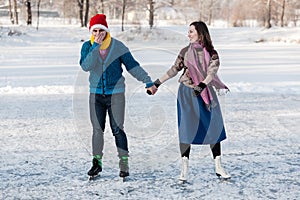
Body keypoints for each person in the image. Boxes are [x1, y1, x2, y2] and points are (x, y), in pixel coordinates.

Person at [150, 21, 231, 181]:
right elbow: (174, 69)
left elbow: (211, 72)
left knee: (213, 127)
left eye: (191, 32)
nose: (188, 34)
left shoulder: (212, 53)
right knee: (186, 129)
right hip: (187, 93)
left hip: (205, 92)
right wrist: (157, 83)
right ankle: (184, 169)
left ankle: (218, 167)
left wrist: (202, 85)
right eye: (188, 32)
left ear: (200, 33)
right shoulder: (185, 51)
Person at [79, 14, 157, 178]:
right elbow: (86, 66)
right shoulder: (87, 46)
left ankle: (124, 163)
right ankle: (96, 163)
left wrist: (148, 81)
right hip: (96, 96)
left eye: (101, 30)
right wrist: (95, 47)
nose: (98, 34)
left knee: (117, 129)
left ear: (107, 31)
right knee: (97, 130)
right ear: (91, 32)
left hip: (116, 95)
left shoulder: (118, 46)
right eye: (95, 31)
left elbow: (133, 66)